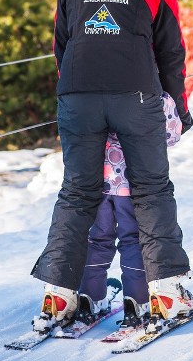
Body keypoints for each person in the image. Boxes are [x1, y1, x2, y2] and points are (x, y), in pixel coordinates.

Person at [31, 0, 193, 330]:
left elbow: (60, 46)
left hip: (78, 96)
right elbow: (171, 53)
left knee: (76, 192)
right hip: (136, 95)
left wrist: (78, 92)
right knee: (151, 190)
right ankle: (165, 295)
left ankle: (59, 297)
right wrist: (178, 105)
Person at [77, 92, 184, 325]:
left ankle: (89, 296)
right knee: (133, 240)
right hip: (131, 186)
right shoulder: (154, 95)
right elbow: (172, 134)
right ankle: (136, 301)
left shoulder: (95, 95)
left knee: (96, 239)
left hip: (99, 186)